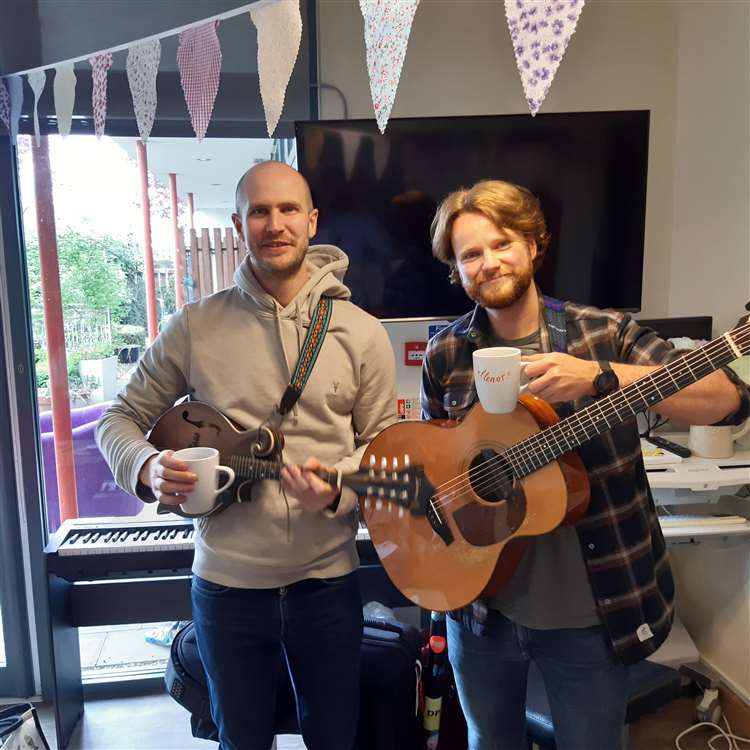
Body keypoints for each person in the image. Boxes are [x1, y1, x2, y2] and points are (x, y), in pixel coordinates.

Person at [420, 179, 749, 750]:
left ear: (533, 244)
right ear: (456, 268)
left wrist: (601, 378)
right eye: (470, 254)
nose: (488, 263)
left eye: (501, 244)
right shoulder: (446, 351)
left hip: (591, 614)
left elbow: (725, 399)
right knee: (485, 741)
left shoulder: (603, 333)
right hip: (478, 612)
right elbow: (435, 462)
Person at [96, 161, 397, 750]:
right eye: (260, 211)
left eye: (288, 210)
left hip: (329, 585)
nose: (274, 224)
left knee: (337, 738)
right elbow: (119, 418)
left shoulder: (362, 333)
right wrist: (146, 466)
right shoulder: (194, 327)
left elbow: (388, 449)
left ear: (312, 221)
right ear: (239, 222)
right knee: (241, 741)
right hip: (226, 588)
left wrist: (343, 488)